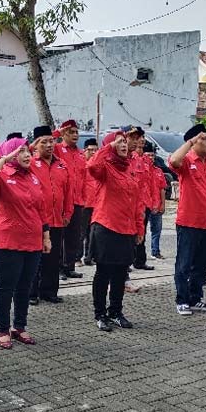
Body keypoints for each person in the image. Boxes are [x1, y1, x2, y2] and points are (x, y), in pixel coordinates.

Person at [0, 137, 51, 348]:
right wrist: (4, 159)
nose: (27, 155)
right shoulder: (2, 176)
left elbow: (41, 209)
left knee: (25, 287)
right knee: (6, 287)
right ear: (11, 155)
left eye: (28, 151)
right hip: (7, 241)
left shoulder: (33, 177)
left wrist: (46, 236)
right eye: (20, 151)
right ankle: (3, 329)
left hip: (32, 241)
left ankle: (19, 327)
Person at [87, 131, 145, 331]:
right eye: (118, 142)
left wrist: (139, 227)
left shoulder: (129, 167)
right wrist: (107, 148)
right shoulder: (105, 167)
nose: (123, 144)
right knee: (103, 273)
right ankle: (100, 313)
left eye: (124, 141)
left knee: (121, 274)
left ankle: (116, 311)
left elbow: (137, 201)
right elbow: (92, 166)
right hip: (106, 226)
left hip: (126, 228)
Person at [168, 124, 206, 316]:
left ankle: (195, 298)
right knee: (184, 263)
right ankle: (182, 300)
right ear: (192, 143)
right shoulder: (187, 161)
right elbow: (173, 160)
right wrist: (189, 142)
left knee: (203, 264)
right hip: (189, 222)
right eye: (203, 139)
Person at [29, 125, 73, 305]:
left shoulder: (62, 164)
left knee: (53, 258)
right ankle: (31, 293)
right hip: (36, 219)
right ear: (36, 145)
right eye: (44, 142)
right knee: (34, 258)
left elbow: (69, 192)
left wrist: (68, 212)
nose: (49, 145)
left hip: (57, 219)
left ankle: (49, 291)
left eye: (51, 141)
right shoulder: (30, 163)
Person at [54, 120, 85, 279]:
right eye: (71, 132)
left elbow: (84, 177)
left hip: (77, 200)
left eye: (76, 132)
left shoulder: (81, 154)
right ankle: (58, 268)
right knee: (60, 235)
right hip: (62, 201)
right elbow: (36, 147)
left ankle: (69, 266)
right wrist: (56, 133)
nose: (75, 135)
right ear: (63, 134)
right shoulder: (57, 149)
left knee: (74, 236)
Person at [127, 126, 155, 273]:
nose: (142, 140)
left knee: (142, 232)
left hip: (145, 202)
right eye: (138, 138)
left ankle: (139, 260)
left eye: (143, 138)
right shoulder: (130, 159)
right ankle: (128, 261)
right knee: (131, 232)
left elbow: (150, 183)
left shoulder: (146, 160)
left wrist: (154, 200)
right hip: (132, 202)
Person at [143, 141, 167, 260]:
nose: (151, 158)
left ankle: (155, 251)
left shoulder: (158, 171)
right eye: (148, 155)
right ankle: (138, 256)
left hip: (157, 204)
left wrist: (163, 204)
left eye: (152, 155)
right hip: (145, 205)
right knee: (141, 230)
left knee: (156, 230)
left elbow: (162, 189)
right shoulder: (141, 170)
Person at [81, 138, 100, 266]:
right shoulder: (81, 165)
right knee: (81, 232)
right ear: (85, 151)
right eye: (90, 150)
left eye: (95, 150)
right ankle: (76, 257)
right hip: (83, 204)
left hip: (96, 204)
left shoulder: (97, 166)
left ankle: (89, 256)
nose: (93, 152)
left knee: (93, 233)